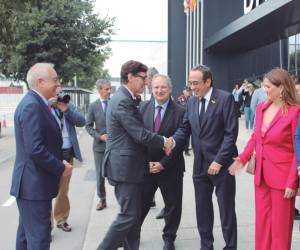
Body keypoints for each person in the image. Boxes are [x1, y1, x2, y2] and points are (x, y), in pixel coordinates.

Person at [97, 60, 173, 250]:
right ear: (130, 77)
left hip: (131, 167)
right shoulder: (122, 100)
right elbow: (138, 133)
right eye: (143, 78)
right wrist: (164, 141)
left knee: (134, 214)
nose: (146, 82)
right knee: (129, 215)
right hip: (124, 169)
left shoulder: (128, 98)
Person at [229, 68, 299, 250]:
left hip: (283, 180)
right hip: (262, 177)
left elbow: (298, 151)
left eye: (268, 86)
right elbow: (255, 138)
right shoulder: (262, 108)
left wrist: (293, 182)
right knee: (262, 225)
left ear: (282, 88)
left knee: (280, 228)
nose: (264, 90)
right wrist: (242, 159)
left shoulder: (295, 112)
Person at [170, 64, 238, 250]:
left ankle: (230, 246)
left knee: (226, 210)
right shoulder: (191, 101)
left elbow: (230, 134)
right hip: (200, 165)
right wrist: (173, 142)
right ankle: (206, 246)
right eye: (190, 83)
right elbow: (185, 128)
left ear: (208, 81)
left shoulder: (225, 99)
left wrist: (219, 160)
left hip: (221, 165)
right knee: (202, 208)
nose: (192, 87)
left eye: (196, 83)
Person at [10, 63, 73, 250]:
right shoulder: (32, 106)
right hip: (33, 185)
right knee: (39, 240)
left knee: (26, 236)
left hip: (34, 185)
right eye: (55, 80)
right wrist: (61, 167)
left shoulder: (37, 103)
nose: (58, 84)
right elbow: (35, 149)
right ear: (39, 82)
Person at [139, 74, 186, 250]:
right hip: (147, 167)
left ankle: (169, 238)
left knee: (173, 206)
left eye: (163, 87)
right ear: (151, 89)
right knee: (140, 204)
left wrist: (163, 163)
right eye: (156, 87)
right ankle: (133, 234)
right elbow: (138, 138)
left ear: (170, 89)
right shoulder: (142, 108)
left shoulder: (181, 111)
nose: (159, 91)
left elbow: (181, 142)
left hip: (171, 167)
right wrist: (147, 163)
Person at [50, 88, 86, 232]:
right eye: (55, 93)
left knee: (63, 190)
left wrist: (66, 109)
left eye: (60, 92)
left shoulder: (68, 104)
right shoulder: (44, 106)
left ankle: (61, 219)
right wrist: (49, 105)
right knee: (45, 190)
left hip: (67, 151)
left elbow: (82, 121)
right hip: (51, 152)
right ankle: (46, 225)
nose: (58, 96)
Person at [86, 79, 112, 211]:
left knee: (118, 174)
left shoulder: (115, 103)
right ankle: (102, 200)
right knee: (100, 176)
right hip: (100, 147)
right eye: (106, 89)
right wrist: (99, 137)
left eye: (110, 88)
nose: (109, 91)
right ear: (100, 90)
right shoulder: (93, 106)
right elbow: (88, 126)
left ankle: (123, 200)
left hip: (115, 146)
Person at [177, 86, 193, 156]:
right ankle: (182, 148)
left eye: (189, 91)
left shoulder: (192, 98)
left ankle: (187, 150)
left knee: (188, 136)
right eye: (186, 91)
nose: (187, 92)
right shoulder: (180, 98)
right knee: (182, 134)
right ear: (184, 91)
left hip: (190, 119)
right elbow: (178, 107)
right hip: (182, 119)